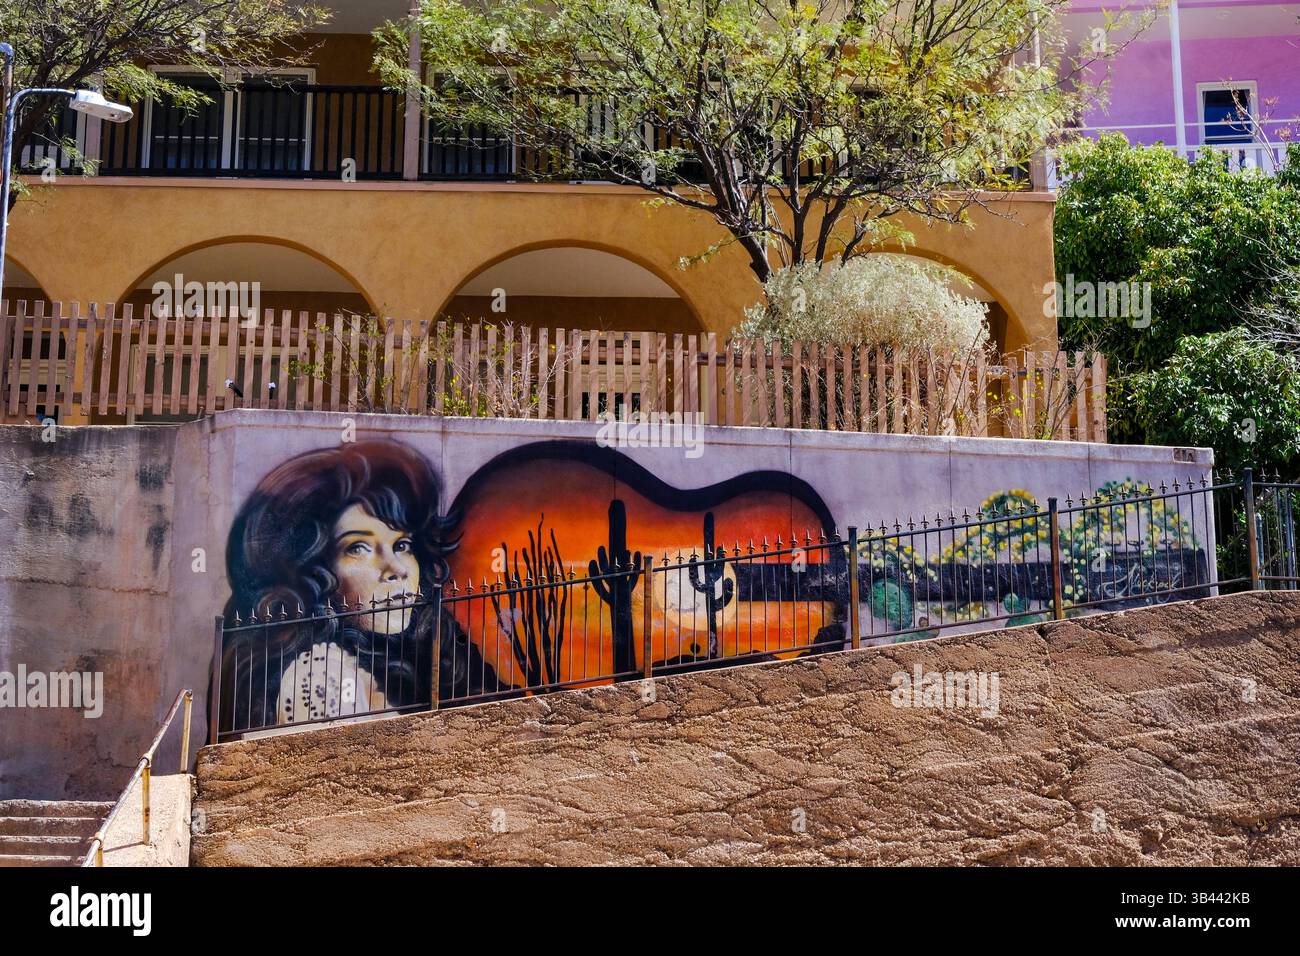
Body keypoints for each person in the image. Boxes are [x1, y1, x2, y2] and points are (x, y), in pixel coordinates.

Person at [219, 440, 499, 733]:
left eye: (402, 545)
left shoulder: (429, 642)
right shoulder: (318, 674)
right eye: (358, 548)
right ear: (312, 572)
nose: (396, 569)